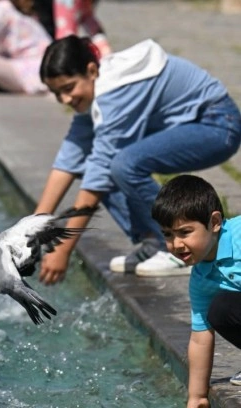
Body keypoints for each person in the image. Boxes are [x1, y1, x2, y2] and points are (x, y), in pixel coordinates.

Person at [33, 35, 241, 284]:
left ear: (91, 70)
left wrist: (63, 249)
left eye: (68, 88)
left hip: (218, 125)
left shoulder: (114, 92)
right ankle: (154, 241)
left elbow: (99, 175)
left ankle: (175, 251)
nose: (65, 99)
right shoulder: (96, 88)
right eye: (56, 93)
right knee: (99, 162)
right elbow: (70, 156)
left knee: (123, 164)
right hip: (199, 124)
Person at [151, 174, 241, 407]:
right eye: (168, 234)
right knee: (220, 310)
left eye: (184, 232)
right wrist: (197, 396)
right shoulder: (201, 278)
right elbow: (201, 338)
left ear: (215, 222)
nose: (176, 244)